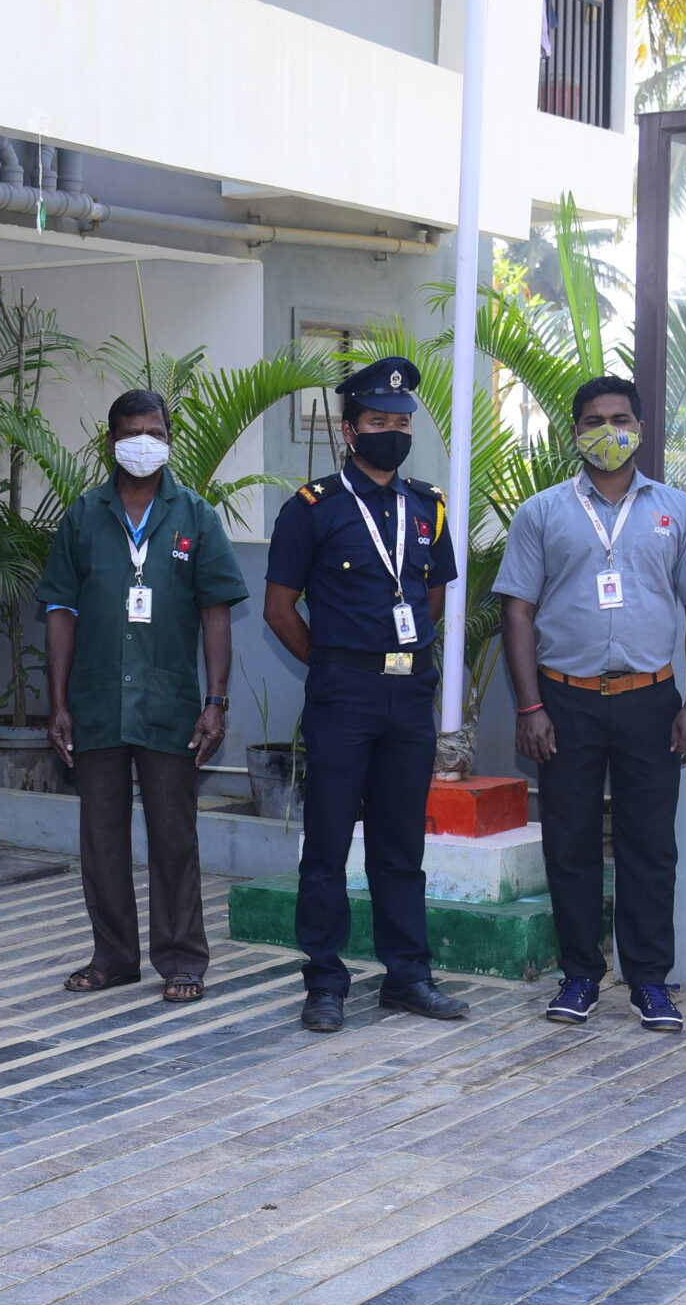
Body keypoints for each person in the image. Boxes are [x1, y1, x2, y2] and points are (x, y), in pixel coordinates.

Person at [496, 374, 686, 1033]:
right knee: (568, 845)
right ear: (575, 432)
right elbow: (517, 609)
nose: (608, 430)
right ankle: (578, 975)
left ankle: (651, 980)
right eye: (594, 420)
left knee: (650, 846)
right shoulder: (542, 512)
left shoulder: (676, 510)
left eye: (620, 417)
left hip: (650, 700)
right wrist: (529, 706)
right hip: (564, 702)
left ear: (641, 427)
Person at [264, 357, 470, 1033]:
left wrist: (402, 654)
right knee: (326, 841)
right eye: (378, 421)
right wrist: (331, 663)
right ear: (349, 429)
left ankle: (407, 975)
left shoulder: (429, 506)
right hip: (343, 693)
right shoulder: (311, 508)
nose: (392, 431)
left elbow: (432, 596)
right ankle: (324, 980)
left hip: (409, 693)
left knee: (400, 841)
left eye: (401, 422)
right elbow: (279, 608)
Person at [37, 391, 248, 1002]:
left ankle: (182, 959)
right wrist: (58, 702)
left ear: (169, 438)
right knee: (100, 836)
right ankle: (114, 957)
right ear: (111, 443)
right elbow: (60, 611)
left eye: (154, 432)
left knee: (173, 836)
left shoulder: (196, 516)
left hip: (170, 706)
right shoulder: (82, 517)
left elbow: (216, 614)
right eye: (131, 433)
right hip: (97, 701)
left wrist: (217, 702)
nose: (143, 443)